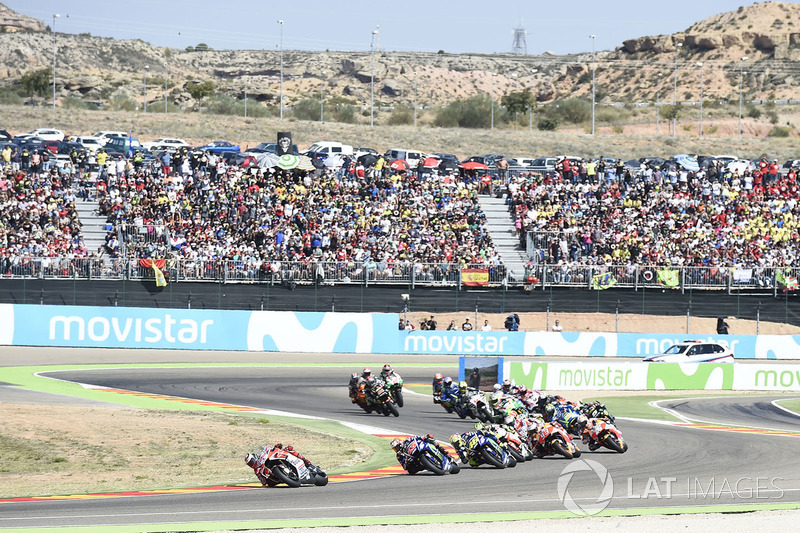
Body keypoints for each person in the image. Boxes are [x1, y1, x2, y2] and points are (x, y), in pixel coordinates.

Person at [245, 443, 312, 486]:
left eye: (251, 462)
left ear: (254, 457)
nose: (252, 464)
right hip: (275, 479)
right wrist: (263, 475)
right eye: (250, 464)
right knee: (269, 483)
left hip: (273, 462)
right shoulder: (256, 470)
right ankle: (287, 477)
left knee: (288, 449)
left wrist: (276, 447)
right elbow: (264, 482)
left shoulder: (260, 457)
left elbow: (268, 448)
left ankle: (307, 462)